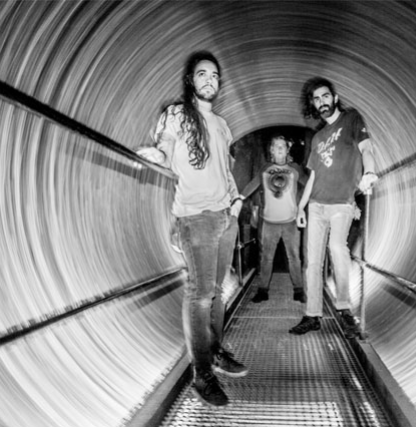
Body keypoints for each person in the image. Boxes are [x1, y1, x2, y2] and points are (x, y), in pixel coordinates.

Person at [135, 51, 248, 407]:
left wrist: (236, 200)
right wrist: (157, 155)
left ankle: (215, 350)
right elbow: (166, 149)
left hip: (225, 217)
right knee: (199, 295)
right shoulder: (177, 114)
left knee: (216, 291)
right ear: (190, 80)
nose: (209, 80)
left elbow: (224, 170)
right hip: (196, 218)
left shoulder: (223, 124)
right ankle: (202, 375)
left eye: (214, 75)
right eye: (202, 74)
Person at [289, 77, 378, 340]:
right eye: (316, 99)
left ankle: (345, 310)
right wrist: (300, 208)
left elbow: (366, 148)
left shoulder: (351, 119)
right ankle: (312, 314)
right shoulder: (318, 137)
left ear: (335, 98)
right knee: (312, 262)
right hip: (316, 206)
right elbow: (313, 177)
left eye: (325, 96)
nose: (322, 102)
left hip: (341, 203)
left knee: (338, 248)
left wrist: (369, 172)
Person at [240, 135, 308, 304]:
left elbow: (310, 185)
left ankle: (299, 290)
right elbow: (253, 184)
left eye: (282, 146)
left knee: (294, 257)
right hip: (269, 222)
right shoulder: (265, 169)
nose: (279, 148)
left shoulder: (295, 169)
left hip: (291, 222)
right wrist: (238, 198)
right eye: (276, 146)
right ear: (271, 150)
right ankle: (263, 290)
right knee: (266, 257)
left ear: (287, 150)